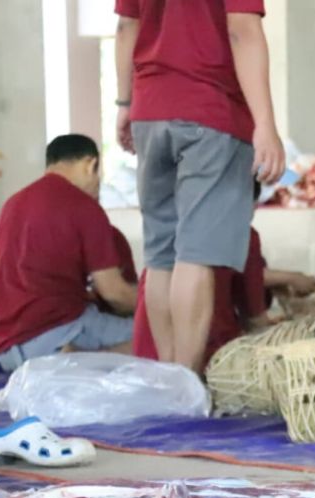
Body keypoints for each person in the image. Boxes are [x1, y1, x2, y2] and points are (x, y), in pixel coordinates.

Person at [115, 0, 285, 372]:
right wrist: (265, 124)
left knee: (161, 255)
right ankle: (186, 378)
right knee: (195, 255)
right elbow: (242, 29)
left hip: (150, 112)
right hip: (210, 110)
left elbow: (126, 27)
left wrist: (125, 103)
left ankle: (167, 376)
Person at [0, 135, 137, 373]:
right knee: (162, 337)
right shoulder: (84, 207)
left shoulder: (12, 204)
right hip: (56, 336)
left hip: (7, 350)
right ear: (91, 165)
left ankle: (74, 359)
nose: (98, 184)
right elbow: (115, 293)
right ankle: (80, 360)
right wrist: (159, 308)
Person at [134, 182, 315, 362]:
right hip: (207, 356)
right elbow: (255, 321)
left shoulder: (169, 225)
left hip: (147, 353)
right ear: (247, 202)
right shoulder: (243, 234)